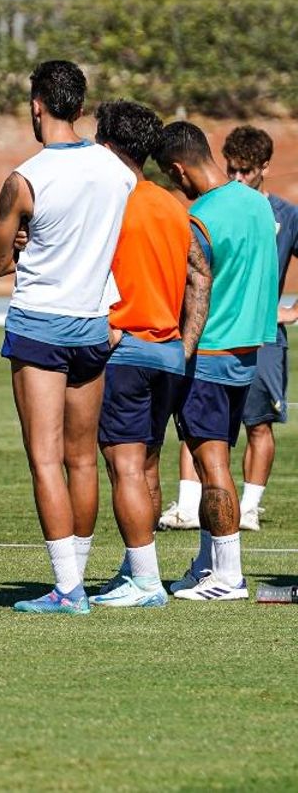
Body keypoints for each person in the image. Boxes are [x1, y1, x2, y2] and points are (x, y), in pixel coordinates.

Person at [0, 60, 134, 615]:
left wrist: (21, 239)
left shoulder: (26, 178)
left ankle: (68, 588)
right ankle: (79, 575)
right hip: (93, 324)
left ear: (38, 104)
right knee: (81, 459)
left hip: (41, 322)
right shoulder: (117, 170)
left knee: (45, 458)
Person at [82, 101, 208, 609]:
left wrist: (110, 332)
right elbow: (200, 272)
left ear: (109, 145)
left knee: (125, 468)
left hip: (127, 349)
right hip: (165, 355)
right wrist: (186, 343)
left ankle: (147, 582)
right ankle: (135, 570)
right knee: (147, 466)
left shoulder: (110, 200)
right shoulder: (172, 206)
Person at [154, 121, 278, 601]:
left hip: (207, 353)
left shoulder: (200, 217)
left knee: (212, 465)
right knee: (215, 462)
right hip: (247, 353)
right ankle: (207, 564)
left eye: (171, 176)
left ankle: (228, 576)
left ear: (179, 169)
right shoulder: (257, 204)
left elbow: (190, 290)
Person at [162, 125, 298, 533]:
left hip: (224, 343)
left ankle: (230, 557)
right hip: (236, 344)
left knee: (229, 445)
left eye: (247, 170)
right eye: (233, 168)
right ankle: (199, 538)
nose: (239, 176)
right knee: (205, 443)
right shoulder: (252, 208)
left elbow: (191, 283)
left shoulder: (211, 215)